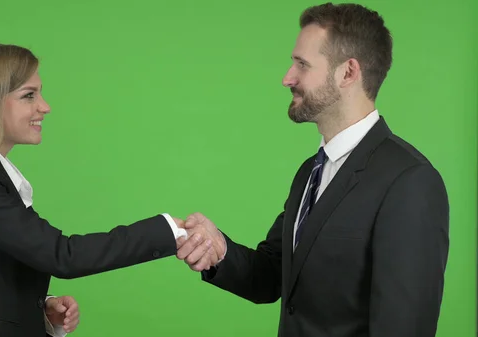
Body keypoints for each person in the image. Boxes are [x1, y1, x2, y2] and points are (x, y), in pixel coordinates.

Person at [176, 3, 450, 337]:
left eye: (302, 65)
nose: (287, 77)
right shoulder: (311, 171)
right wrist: (220, 251)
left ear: (348, 73)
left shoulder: (410, 181)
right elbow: (274, 276)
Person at [0, 42, 215, 337]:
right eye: (29, 95)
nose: (44, 106)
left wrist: (41, 308)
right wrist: (165, 231)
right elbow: (60, 255)